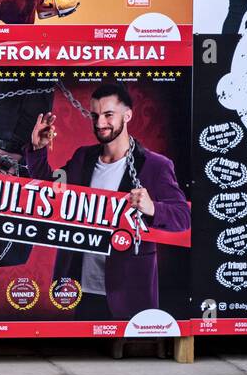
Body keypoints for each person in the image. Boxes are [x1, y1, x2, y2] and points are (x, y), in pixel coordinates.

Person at [24, 81, 191, 320]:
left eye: (109, 115)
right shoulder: (83, 157)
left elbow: (183, 218)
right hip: (80, 286)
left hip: (128, 290)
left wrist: (153, 207)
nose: (100, 123)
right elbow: (50, 191)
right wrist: (38, 149)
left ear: (128, 115)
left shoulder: (156, 165)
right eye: (95, 115)